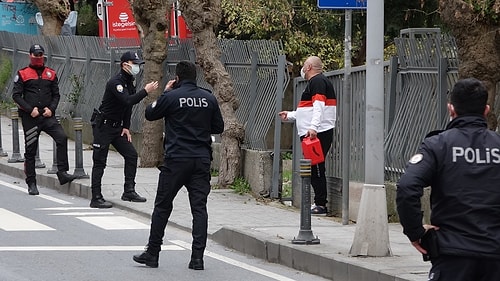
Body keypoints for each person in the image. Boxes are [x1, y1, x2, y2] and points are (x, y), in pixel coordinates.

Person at [396, 78, 500, 281]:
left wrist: (415, 232)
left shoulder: (437, 145)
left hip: (452, 254)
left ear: (451, 109)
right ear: (486, 110)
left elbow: (407, 186)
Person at [133, 61, 224, 269]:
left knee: (162, 206)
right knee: (199, 209)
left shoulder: (172, 96)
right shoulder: (208, 98)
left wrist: (164, 93)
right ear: (196, 77)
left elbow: (150, 114)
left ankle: (153, 253)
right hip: (201, 160)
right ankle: (197, 259)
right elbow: (218, 126)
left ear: (178, 78)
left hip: (176, 160)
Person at [89, 51, 159, 208]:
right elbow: (127, 100)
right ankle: (96, 197)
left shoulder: (130, 82)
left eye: (138, 64)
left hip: (117, 127)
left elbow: (127, 108)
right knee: (100, 161)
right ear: (124, 64)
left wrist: (126, 127)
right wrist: (145, 91)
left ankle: (129, 191)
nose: (137, 67)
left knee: (131, 155)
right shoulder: (116, 82)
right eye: (134, 64)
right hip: (104, 126)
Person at [12, 44, 76, 195]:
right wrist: (30, 109)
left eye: (40, 55)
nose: (38, 58)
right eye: (36, 55)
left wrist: (51, 109)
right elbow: (16, 96)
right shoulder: (23, 74)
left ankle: (62, 172)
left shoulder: (51, 74)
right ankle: (32, 183)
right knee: (31, 150)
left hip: (47, 116)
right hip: (31, 117)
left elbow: (56, 95)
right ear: (30, 56)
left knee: (61, 138)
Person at [278, 56, 336, 215]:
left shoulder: (317, 82)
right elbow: (308, 110)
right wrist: (290, 115)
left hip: (317, 133)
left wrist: (313, 128)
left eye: (304, 65)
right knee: (314, 167)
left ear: (309, 66)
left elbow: (319, 107)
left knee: (316, 168)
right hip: (315, 132)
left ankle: (321, 204)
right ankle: (319, 202)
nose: (302, 68)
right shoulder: (317, 82)